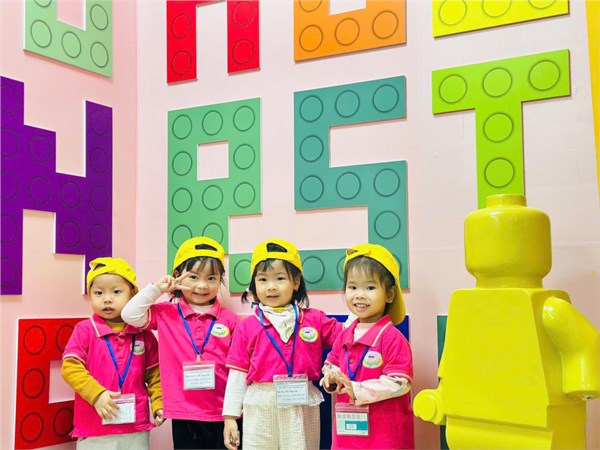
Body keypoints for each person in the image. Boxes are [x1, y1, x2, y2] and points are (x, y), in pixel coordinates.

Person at [121, 236, 240, 449]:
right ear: (177, 276)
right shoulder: (166, 312)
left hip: (223, 411)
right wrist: (157, 288)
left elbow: (239, 366)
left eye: (212, 278)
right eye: (193, 277)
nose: (202, 285)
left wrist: (235, 408)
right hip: (183, 411)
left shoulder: (229, 318)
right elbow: (129, 315)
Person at [222, 238, 342, 450]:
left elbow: (348, 338)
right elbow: (237, 375)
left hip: (301, 401)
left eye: (280, 278)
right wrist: (230, 417)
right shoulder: (247, 327)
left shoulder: (315, 320)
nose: (271, 287)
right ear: (254, 284)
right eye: (263, 279)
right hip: (260, 403)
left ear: (296, 282)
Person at [62, 257, 164, 450]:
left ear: (132, 293)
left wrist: (159, 403)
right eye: (98, 293)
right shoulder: (85, 330)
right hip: (94, 428)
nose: (107, 299)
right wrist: (97, 394)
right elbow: (70, 368)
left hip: (135, 428)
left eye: (116, 292)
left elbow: (155, 374)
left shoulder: (144, 334)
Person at [321, 243, 414, 449]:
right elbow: (330, 364)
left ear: (389, 294)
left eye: (370, 288)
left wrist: (356, 389)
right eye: (352, 287)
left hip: (384, 437)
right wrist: (331, 378)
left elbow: (400, 383)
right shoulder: (344, 335)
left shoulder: (392, 338)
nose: (359, 295)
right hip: (346, 437)